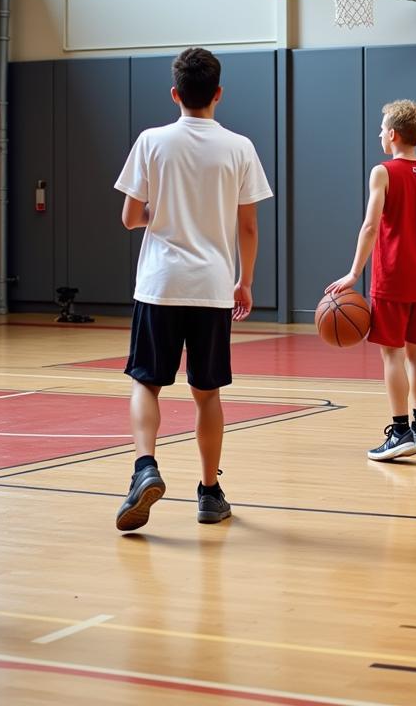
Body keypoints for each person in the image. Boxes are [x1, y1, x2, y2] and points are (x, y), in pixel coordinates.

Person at [113, 47, 273, 529]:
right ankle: (208, 493)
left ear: (175, 94)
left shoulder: (151, 141)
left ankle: (145, 468)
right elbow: (248, 226)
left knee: (147, 382)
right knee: (207, 393)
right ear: (218, 94)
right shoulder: (239, 147)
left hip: (159, 284)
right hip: (211, 288)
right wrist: (245, 280)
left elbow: (128, 219)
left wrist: (157, 215)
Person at [326, 100, 416, 461]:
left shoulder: (382, 172)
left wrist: (354, 272)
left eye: (382, 128)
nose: (380, 133)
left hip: (392, 278)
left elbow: (370, 226)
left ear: (394, 135)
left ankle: (399, 431)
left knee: (391, 355)